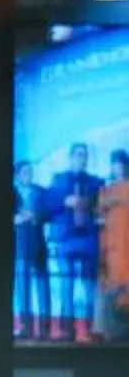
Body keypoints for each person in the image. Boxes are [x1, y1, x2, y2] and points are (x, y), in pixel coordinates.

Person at [52, 141, 108, 342]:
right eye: (78, 155)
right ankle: (67, 328)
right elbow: (49, 205)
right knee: (66, 283)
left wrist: (93, 209)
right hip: (66, 237)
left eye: (84, 155)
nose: (81, 158)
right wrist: (64, 201)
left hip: (88, 238)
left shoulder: (96, 182)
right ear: (71, 157)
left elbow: (102, 207)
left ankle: (90, 327)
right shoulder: (59, 180)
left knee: (89, 285)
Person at [16, 160, 50, 341]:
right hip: (20, 246)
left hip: (38, 246)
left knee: (42, 287)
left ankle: (45, 327)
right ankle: (25, 326)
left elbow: (48, 214)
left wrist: (34, 216)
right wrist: (17, 218)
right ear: (17, 175)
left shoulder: (40, 192)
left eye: (30, 171)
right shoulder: (11, 193)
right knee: (23, 288)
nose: (28, 174)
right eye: (24, 172)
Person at [104, 152, 129, 343]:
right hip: (112, 244)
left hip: (126, 244)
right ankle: (114, 330)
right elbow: (99, 209)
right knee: (113, 283)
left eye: (121, 164)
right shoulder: (106, 188)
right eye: (115, 165)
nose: (118, 168)